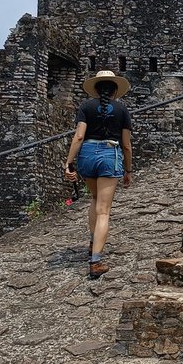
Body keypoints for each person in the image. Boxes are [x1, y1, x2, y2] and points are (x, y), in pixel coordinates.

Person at [64, 69, 133, 278]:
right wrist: (128, 170)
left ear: (96, 89)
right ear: (114, 91)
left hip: (86, 155)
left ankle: (93, 241)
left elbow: (78, 137)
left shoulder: (86, 106)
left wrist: (68, 163)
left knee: (94, 199)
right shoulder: (121, 110)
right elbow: (127, 145)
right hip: (109, 155)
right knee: (104, 210)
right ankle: (96, 261)